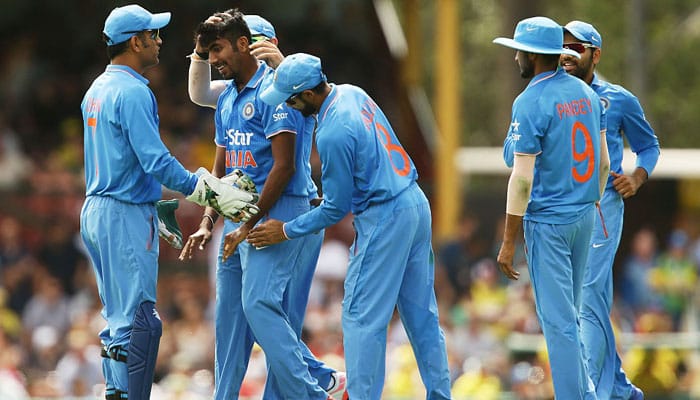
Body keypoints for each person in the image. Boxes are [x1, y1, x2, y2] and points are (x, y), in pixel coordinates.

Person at [248, 52, 453, 400]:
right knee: (421, 314)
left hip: (384, 216)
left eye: (291, 100)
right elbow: (365, 162)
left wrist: (284, 229)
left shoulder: (331, 131)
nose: (290, 107)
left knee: (360, 317)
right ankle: (440, 393)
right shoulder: (352, 92)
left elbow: (335, 210)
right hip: (414, 203)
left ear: (309, 95)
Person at [80, 5, 259, 400]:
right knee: (141, 321)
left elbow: (119, 158)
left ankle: (115, 391)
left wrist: (153, 202)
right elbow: (155, 160)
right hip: (123, 213)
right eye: (154, 35)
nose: (160, 42)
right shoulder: (133, 91)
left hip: (97, 209)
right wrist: (206, 189)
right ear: (135, 41)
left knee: (116, 320)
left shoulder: (97, 88)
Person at [177, 11, 343, 400]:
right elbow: (222, 151)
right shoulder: (231, 95)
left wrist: (247, 224)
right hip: (240, 215)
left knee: (265, 310)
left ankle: (314, 388)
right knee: (233, 318)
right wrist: (208, 218)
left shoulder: (282, 92)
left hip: (285, 209)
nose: (219, 59)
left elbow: (284, 166)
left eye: (253, 43)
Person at [493, 16, 609, 399]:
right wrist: (592, 201)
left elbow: (521, 178)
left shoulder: (529, 101)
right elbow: (605, 162)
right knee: (571, 318)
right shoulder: (587, 93)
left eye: (518, 52)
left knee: (558, 324)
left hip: (549, 224)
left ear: (531, 54)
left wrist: (509, 241)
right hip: (585, 214)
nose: (515, 60)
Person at [561, 20, 659, 400]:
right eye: (564, 48)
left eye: (577, 48)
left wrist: (636, 177)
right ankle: (618, 388)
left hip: (603, 204)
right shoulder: (553, 94)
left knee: (587, 295)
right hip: (562, 211)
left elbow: (648, 146)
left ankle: (594, 393)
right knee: (585, 300)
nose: (568, 55)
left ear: (595, 54)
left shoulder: (617, 98)